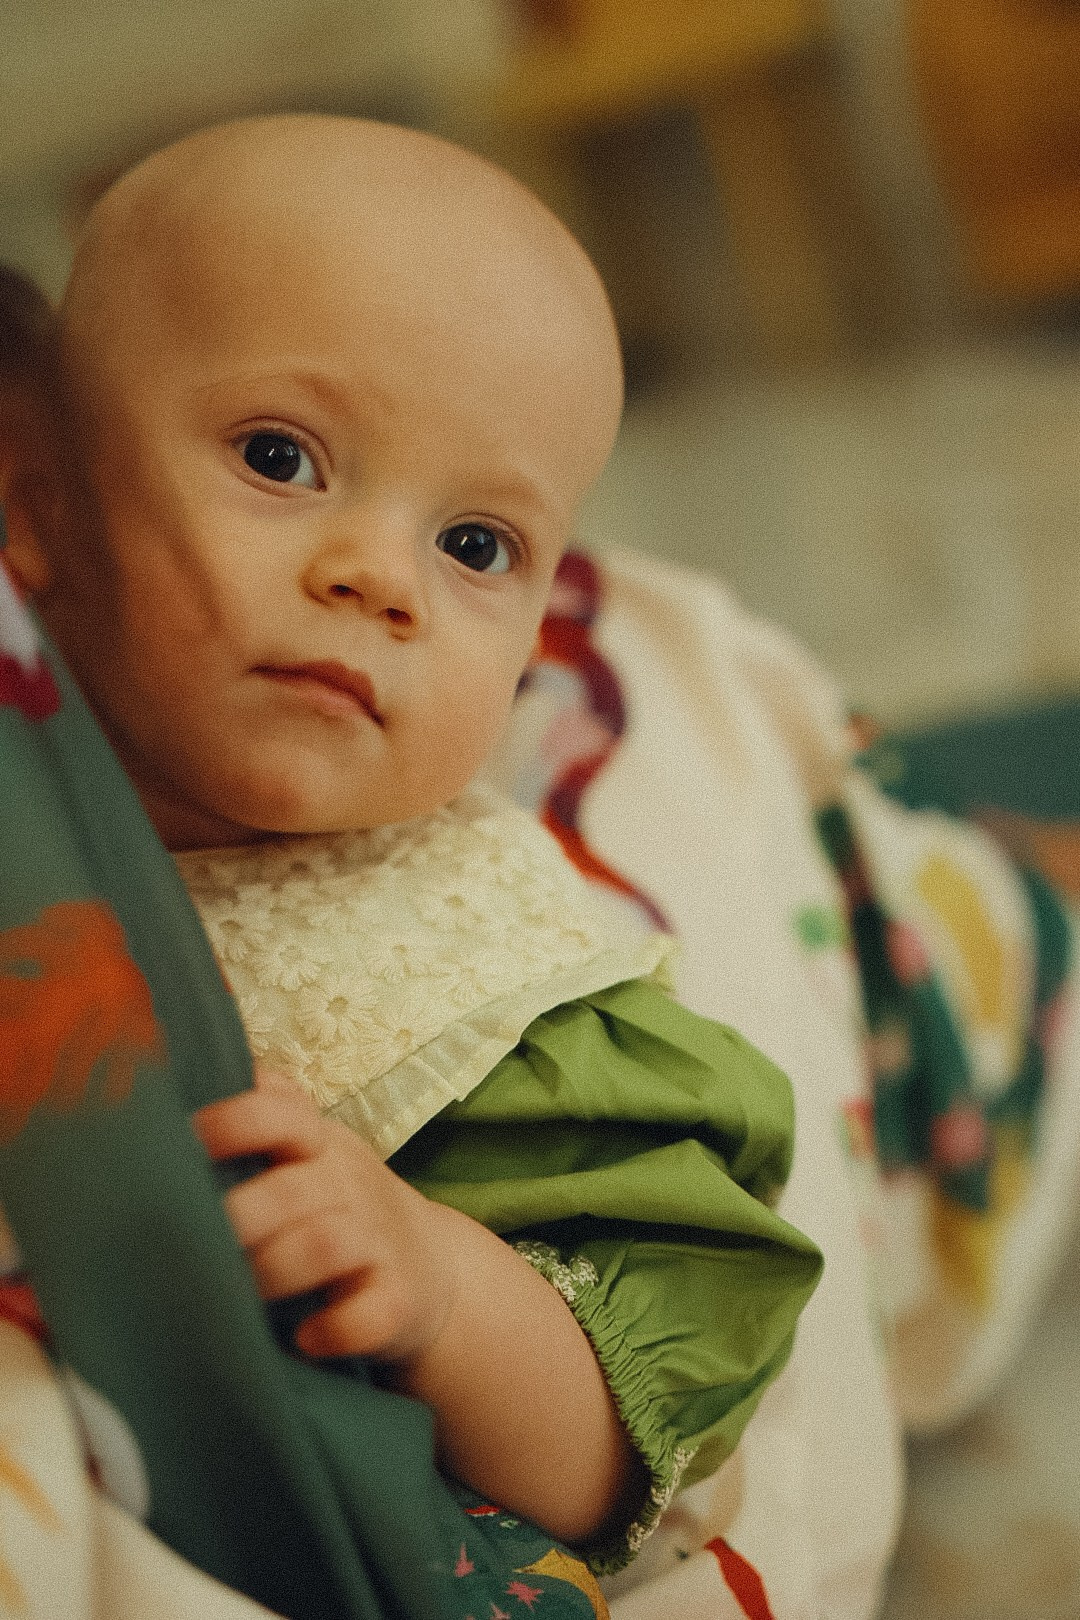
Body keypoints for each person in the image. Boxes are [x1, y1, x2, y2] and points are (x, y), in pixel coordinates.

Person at [0, 114, 821, 1576]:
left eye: (477, 546)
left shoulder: (499, 997)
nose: (383, 579)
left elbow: (651, 1440)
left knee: (918, 916)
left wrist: (443, 1289)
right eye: (281, 458)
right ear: (32, 493)